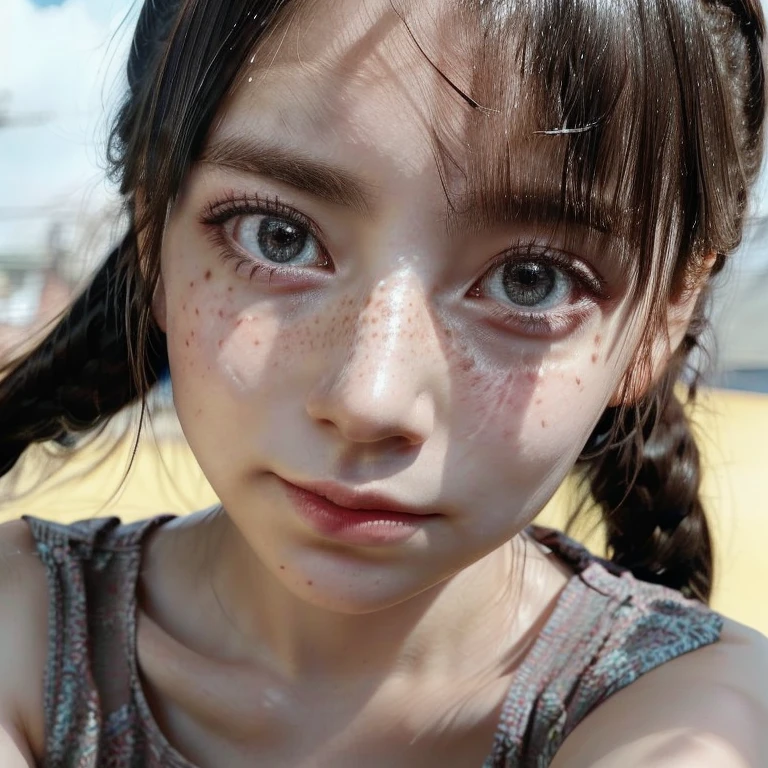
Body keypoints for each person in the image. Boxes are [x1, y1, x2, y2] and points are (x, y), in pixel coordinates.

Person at [0, 0, 766, 765]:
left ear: (664, 319)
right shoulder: (18, 631)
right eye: (280, 235)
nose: (370, 400)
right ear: (151, 232)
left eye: (531, 281)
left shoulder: (701, 721)